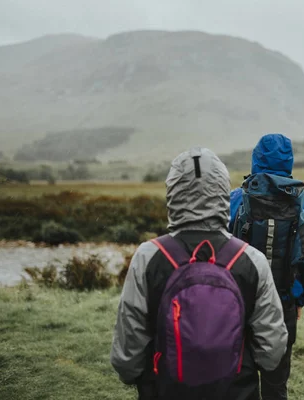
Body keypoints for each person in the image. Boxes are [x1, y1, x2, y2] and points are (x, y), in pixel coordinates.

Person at [110, 147, 288, 400]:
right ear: (222, 192)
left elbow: (128, 349)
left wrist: (135, 375)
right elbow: (272, 350)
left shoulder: (148, 256)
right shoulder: (252, 259)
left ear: (173, 192)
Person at [229, 133, 304, 400]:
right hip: (283, 303)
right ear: (289, 161)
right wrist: (299, 299)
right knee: (275, 383)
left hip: (239, 305)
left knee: (239, 382)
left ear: (256, 158)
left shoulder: (236, 199)